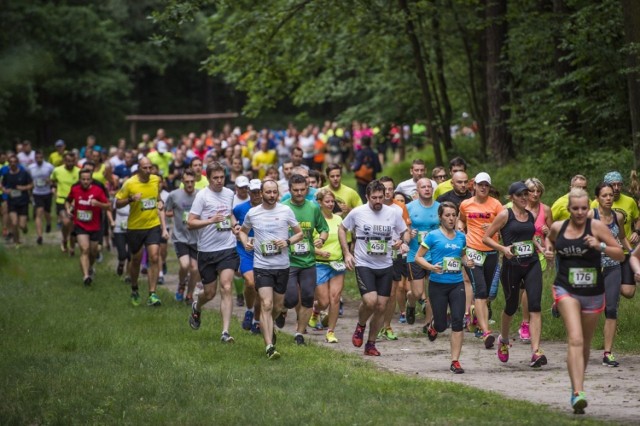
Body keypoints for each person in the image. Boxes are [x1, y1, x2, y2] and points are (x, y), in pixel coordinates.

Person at [545, 188, 623, 414]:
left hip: (593, 292)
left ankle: (575, 386)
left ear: (589, 208)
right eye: (575, 208)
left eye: (583, 208)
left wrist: (599, 246)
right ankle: (579, 392)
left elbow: (619, 254)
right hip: (565, 289)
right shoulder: (559, 227)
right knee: (576, 339)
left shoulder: (597, 227)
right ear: (568, 209)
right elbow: (549, 239)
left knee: (585, 345)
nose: (580, 212)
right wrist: (549, 252)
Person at [482, 181, 547, 368]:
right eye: (520, 195)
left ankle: (536, 351)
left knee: (535, 305)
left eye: (526, 194)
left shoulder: (530, 215)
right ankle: (503, 339)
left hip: (532, 262)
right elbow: (486, 237)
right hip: (512, 265)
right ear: (512, 198)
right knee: (511, 306)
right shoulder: (505, 215)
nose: (525, 198)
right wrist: (503, 248)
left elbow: (530, 236)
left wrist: (541, 247)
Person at [339, 180, 408, 356]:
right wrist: (347, 253)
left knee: (381, 306)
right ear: (367, 197)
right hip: (364, 263)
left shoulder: (392, 213)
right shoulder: (358, 212)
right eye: (374, 198)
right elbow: (342, 228)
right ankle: (361, 325)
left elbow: (404, 231)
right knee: (370, 301)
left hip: (385, 265)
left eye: (381, 197)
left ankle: (371, 343)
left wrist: (402, 241)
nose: (378, 201)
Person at [238, 179, 303, 359]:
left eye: (275, 192)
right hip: (262, 265)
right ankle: (269, 346)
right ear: (261, 193)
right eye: (268, 192)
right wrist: (245, 242)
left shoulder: (285, 211)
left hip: (282, 266)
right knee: (266, 304)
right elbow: (243, 231)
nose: (272, 195)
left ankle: (270, 325)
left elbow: (300, 233)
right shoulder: (253, 213)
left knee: (277, 305)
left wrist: (287, 242)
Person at [415, 201, 472, 374]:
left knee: (457, 322)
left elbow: (462, 256)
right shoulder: (432, 236)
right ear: (440, 217)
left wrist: (467, 262)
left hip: (456, 284)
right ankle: (434, 325)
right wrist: (431, 267)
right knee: (441, 326)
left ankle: (455, 361)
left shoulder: (461, 237)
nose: (451, 218)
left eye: (454, 215)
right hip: (437, 285)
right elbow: (418, 257)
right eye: (447, 215)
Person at [187, 161, 240, 343]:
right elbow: (190, 222)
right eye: (215, 178)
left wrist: (235, 226)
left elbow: (230, 214)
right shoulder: (202, 196)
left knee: (226, 286)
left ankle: (225, 332)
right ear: (208, 178)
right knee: (209, 293)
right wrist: (210, 220)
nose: (219, 181)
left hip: (227, 248)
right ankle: (197, 305)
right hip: (207, 251)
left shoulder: (229, 193)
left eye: (221, 177)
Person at [115, 157, 169, 307]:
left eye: (149, 168)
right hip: (135, 227)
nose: (147, 171)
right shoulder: (130, 183)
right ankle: (134, 288)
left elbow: (158, 198)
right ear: (139, 168)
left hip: (153, 225)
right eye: (144, 168)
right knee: (136, 260)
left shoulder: (156, 180)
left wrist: (160, 202)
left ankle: (152, 294)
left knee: (154, 256)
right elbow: (117, 203)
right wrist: (131, 199)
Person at [282, 174, 329, 345]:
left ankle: (299, 333)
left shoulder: (313, 207)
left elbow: (323, 229)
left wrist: (321, 239)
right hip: (288, 261)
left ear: (307, 189)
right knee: (290, 299)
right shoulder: (283, 207)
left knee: (308, 297)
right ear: (290, 190)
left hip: (308, 261)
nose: (299, 193)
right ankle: (282, 310)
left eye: (303, 190)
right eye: (296, 190)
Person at [458, 172, 503, 349]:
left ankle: (476, 316)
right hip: (473, 250)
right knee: (481, 290)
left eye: (486, 185)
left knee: (488, 294)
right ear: (474, 186)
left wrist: (493, 228)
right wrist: (461, 230)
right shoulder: (465, 204)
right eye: (480, 184)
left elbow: (505, 223)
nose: (483, 187)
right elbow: (461, 221)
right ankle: (486, 332)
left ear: (489, 187)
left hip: (491, 251)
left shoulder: (496, 205)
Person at [588, 182, 630, 367]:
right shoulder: (591, 215)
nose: (608, 198)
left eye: (611, 195)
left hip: (613, 267)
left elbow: (621, 238)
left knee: (611, 309)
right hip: (593, 268)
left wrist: (632, 254)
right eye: (604, 195)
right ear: (597, 198)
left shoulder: (617, 217)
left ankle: (608, 353)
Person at [592, 171, 639, 299]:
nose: (617, 188)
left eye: (619, 184)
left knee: (629, 292)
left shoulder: (629, 202)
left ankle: (610, 287)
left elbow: (637, 218)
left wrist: (637, 232)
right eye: (613, 185)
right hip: (604, 253)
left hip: (624, 252)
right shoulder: (595, 206)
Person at [517, 177, 554, 342]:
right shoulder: (518, 208)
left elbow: (552, 234)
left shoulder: (545, 210)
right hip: (520, 251)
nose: (535, 194)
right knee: (520, 290)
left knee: (531, 289)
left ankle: (527, 323)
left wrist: (548, 234)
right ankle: (523, 318)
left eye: (539, 191)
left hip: (538, 254)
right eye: (532, 191)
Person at [309, 188, 345, 343]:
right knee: (324, 302)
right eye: (327, 202)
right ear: (320, 203)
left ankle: (331, 332)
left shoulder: (339, 220)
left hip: (337, 264)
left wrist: (348, 254)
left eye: (332, 201)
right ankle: (316, 310)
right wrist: (319, 252)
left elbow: (344, 241)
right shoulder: (315, 220)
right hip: (320, 264)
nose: (330, 204)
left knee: (335, 298)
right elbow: (307, 243)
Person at [377, 176, 411, 340]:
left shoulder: (400, 207)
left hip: (394, 254)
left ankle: (387, 326)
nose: (388, 192)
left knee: (391, 293)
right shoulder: (372, 206)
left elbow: (406, 230)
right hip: (374, 256)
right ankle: (374, 325)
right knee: (376, 295)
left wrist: (403, 241)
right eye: (385, 189)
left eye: (391, 189)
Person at [66, 169, 110, 285]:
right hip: (80, 224)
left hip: (95, 226)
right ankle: (86, 276)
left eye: (88, 179)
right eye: (83, 179)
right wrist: (68, 209)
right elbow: (68, 200)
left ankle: (90, 266)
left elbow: (108, 206)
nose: (85, 181)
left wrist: (98, 204)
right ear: (80, 179)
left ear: (91, 180)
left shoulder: (98, 190)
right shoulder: (75, 189)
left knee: (93, 251)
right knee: (84, 249)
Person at [405, 178, 440, 326]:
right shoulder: (408, 208)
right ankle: (410, 303)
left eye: (429, 187)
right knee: (418, 293)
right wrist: (408, 233)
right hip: (415, 254)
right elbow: (402, 228)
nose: (426, 189)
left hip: (434, 254)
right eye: (423, 187)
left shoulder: (440, 207)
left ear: (432, 190)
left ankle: (428, 324)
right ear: (417, 190)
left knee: (432, 292)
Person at [164, 169, 200, 305]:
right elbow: (165, 210)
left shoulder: (200, 195)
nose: (190, 184)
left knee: (195, 269)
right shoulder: (174, 195)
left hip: (196, 238)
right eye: (187, 182)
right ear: (182, 182)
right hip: (180, 237)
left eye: (192, 182)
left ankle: (189, 295)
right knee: (185, 266)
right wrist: (165, 227)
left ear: (195, 181)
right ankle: (181, 285)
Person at [233, 179, 264, 334]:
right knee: (251, 283)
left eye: (259, 192)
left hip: (264, 253)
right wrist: (235, 228)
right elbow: (230, 217)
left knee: (260, 289)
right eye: (253, 192)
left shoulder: (269, 209)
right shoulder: (240, 209)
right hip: (245, 251)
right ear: (249, 192)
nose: (256, 195)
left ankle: (256, 321)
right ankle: (249, 310)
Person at [51, 152, 80, 254]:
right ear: (64, 161)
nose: (70, 163)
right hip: (61, 200)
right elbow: (52, 181)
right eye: (68, 161)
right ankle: (64, 239)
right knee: (66, 222)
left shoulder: (79, 172)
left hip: (75, 201)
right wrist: (54, 190)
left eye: (72, 161)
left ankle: (71, 246)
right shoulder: (57, 170)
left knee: (72, 225)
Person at [0, 154, 33, 246]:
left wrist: (23, 188)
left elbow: (31, 184)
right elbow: (2, 185)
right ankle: (17, 241)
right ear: (9, 164)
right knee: (14, 223)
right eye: (11, 162)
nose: (13, 164)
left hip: (23, 201)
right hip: (12, 202)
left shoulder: (24, 173)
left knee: (21, 225)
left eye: (15, 162)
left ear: (17, 163)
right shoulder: (6, 175)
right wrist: (5, 190)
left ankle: (24, 228)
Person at [28, 151, 55, 245]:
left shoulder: (49, 166)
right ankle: (40, 236)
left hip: (47, 192)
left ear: (43, 157)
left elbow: (55, 178)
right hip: (37, 193)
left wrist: (50, 181)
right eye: (37, 157)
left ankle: (48, 223)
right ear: (35, 158)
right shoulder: (31, 167)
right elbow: (29, 179)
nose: (39, 159)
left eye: (40, 157)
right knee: (39, 212)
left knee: (47, 212)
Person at [352, 136, 382, 202]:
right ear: (370, 143)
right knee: (372, 197)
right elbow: (378, 168)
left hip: (361, 180)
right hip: (372, 179)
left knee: (363, 198)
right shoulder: (374, 153)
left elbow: (356, 167)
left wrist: (353, 167)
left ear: (362, 143)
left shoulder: (360, 153)